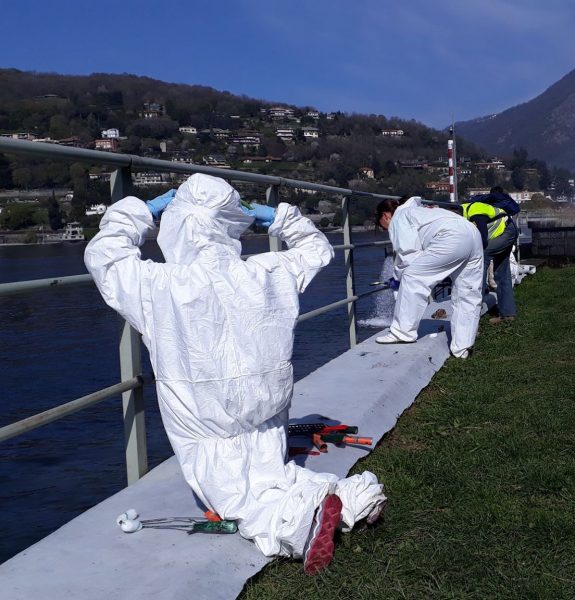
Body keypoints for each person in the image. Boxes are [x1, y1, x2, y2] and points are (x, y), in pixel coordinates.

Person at [84, 173, 386, 574]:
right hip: (268, 400)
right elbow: (317, 248)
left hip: (203, 409)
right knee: (274, 469)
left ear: (175, 226)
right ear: (233, 225)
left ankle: (299, 522)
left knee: (233, 494)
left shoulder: (158, 282)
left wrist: (140, 210)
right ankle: (353, 497)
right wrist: (277, 217)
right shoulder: (267, 270)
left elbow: (104, 254)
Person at [375, 195, 483, 358]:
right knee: (467, 292)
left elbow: (408, 256)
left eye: (382, 227)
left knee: (413, 277)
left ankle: (402, 332)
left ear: (385, 215)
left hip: (451, 235)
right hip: (472, 233)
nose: (385, 230)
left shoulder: (399, 217)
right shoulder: (419, 211)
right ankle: (462, 348)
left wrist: (398, 280)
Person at [461, 190, 518, 324]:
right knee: (502, 271)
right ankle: (507, 314)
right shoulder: (467, 211)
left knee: (481, 259)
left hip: (506, 232)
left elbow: (483, 239)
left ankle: (472, 320)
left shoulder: (474, 211)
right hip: (508, 229)